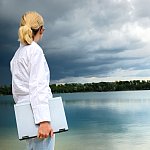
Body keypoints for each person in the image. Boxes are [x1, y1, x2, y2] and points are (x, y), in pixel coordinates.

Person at [10, 11, 55, 150]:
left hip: (26, 117)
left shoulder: (17, 56)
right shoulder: (34, 51)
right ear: (41, 30)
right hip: (39, 119)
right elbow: (38, 86)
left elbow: (17, 92)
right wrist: (44, 121)